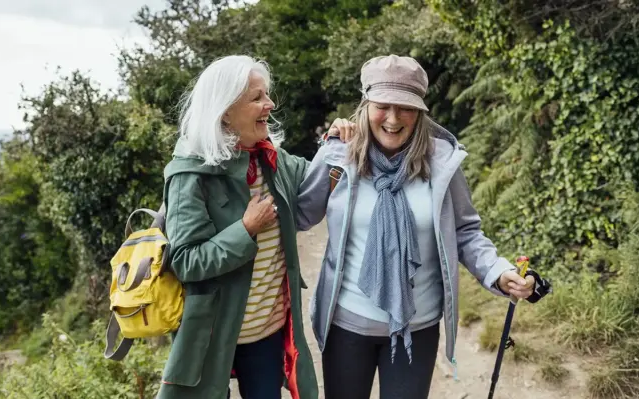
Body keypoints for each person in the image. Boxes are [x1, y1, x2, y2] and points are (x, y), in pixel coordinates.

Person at [296, 54, 536, 399]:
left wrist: (498, 271)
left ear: (420, 112)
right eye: (383, 106)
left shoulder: (442, 162)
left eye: (406, 107)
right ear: (365, 105)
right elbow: (300, 215)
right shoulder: (339, 156)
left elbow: (466, 232)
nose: (393, 118)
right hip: (346, 326)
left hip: (417, 327)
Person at [156, 55, 351, 399]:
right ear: (224, 111)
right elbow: (185, 261)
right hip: (212, 336)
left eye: (267, 94)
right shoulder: (190, 174)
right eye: (257, 97)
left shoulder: (269, 159)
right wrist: (245, 229)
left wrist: (334, 141)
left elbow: (314, 182)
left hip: (266, 333)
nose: (269, 104)